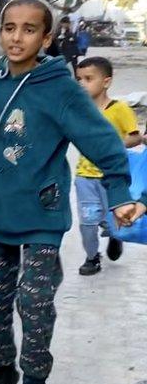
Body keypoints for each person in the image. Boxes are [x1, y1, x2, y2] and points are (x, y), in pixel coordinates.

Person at [0, 0, 147, 384]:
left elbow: (102, 140)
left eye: (30, 30)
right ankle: (3, 368)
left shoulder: (60, 87)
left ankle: (34, 382)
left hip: (43, 215)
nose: (17, 37)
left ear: (47, 38)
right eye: (10, 27)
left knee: (35, 303)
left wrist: (119, 192)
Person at [72, 57, 143, 275]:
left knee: (113, 219)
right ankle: (92, 257)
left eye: (88, 79)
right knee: (87, 223)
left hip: (112, 178)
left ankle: (114, 235)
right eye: (78, 79)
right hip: (84, 176)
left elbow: (135, 138)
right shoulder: (79, 110)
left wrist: (111, 145)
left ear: (106, 81)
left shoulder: (119, 109)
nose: (82, 84)